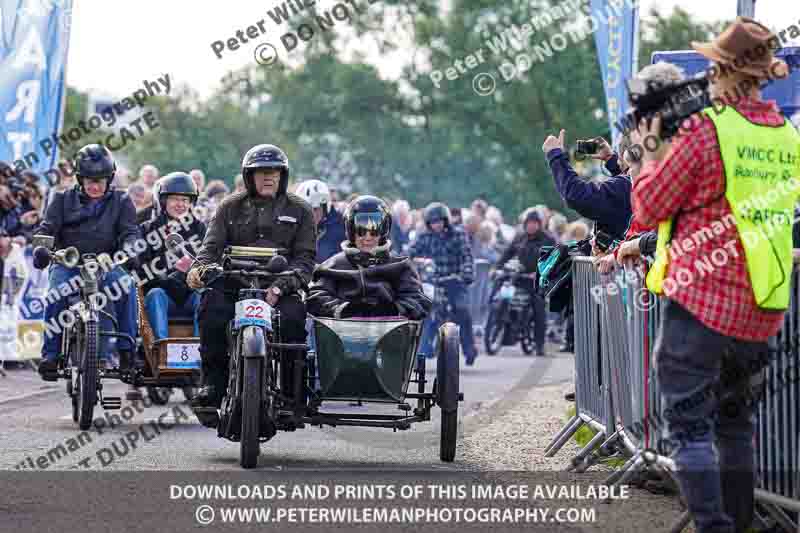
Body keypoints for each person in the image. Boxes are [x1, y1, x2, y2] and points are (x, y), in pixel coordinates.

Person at [632, 18, 800, 533]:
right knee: (735, 425)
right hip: (761, 306)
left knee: (689, 426)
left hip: (702, 301)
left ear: (726, 72)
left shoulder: (708, 129)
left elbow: (649, 206)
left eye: (713, 67)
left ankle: (713, 526)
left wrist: (650, 154)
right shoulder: (787, 136)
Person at [186, 144, 316, 410]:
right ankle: (212, 385)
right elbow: (210, 249)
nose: (268, 177)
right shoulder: (228, 206)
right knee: (211, 310)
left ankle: (292, 394)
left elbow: (305, 261)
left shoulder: (301, 209)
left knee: (293, 320)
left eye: (274, 172)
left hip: (280, 287)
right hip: (234, 283)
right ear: (249, 176)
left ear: (283, 175)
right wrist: (200, 268)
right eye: (261, 172)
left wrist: (281, 287)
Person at [33, 144, 140, 399]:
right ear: (80, 179)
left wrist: (131, 249)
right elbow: (46, 229)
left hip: (106, 264)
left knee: (127, 287)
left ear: (109, 179)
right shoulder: (61, 199)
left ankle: (127, 352)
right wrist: (42, 248)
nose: (95, 185)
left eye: (100, 180)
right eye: (90, 180)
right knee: (57, 292)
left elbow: (130, 232)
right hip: (68, 263)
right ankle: (50, 355)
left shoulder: (122, 201)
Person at [306, 195, 431, 319]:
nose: (367, 237)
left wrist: (392, 310)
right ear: (351, 230)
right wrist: (343, 310)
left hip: (390, 330)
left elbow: (418, 300)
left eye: (374, 230)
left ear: (384, 231)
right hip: (341, 330)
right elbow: (315, 297)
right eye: (360, 230)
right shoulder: (333, 265)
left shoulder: (401, 266)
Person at [138, 172, 206, 341]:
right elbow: (141, 268)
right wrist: (166, 278)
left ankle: (200, 349)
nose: (180, 204)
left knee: (205, 296)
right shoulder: (147, 229)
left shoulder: (200, 228)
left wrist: (188, 276)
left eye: (185, 200)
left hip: (191, 294)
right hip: (162, 293)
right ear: (163, 201)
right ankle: (161, 348)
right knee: (155, 294)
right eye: (175, 199)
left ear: (191, 203)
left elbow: (206, 261)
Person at [409, 202, 478, 365]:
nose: (436, 225)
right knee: (422, 311)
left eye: (439, 221)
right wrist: (410, 263)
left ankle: (469, 349)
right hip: (431, 282)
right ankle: (421, 350)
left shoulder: (458, 234)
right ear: (428, 223)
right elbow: (409, 254)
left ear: (446, 220)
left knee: (462, 309)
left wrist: (466, 273)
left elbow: (467, 256)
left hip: (454, 281)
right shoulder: (424, 237)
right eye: (433, 222)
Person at [496, 209, 555, 356]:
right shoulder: (520, 237)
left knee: (538, 307)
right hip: (519, 277)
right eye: (529, 223)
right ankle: (501, 327)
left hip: (537, 281)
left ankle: (540, 344)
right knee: (500, 294)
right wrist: (497, 268)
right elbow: (507, 253)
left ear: (540, 224)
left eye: (534, 223)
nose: (531, 226)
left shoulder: (548, 239)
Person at [295, 179, 346, 263]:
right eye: (306, 209)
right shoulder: (289, 229)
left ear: (325, 208)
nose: (311, 214)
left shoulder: (342, 227)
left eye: (315, 209)